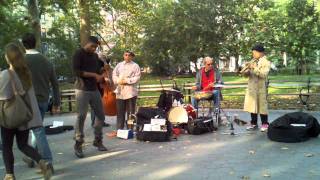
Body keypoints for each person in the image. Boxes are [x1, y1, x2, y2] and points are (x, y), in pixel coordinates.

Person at [0, 43, 52, 180]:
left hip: (9, 117)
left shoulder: (6, 74)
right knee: (23, 144)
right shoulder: (26, 73)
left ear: (8, 58)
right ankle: (43, 161)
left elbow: (4, 96)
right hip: (23, 117)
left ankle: (10, 174)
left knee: (6, 145)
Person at [21, 33, 59, 170]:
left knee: (37, 130)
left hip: (27, 101)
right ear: (36, 43)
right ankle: (32, 157)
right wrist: (56, 103)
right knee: (36, 129)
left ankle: (47, 161)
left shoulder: (21, 61)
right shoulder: (46, 61)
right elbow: (55, 84)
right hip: (43, 99)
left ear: (23, 45)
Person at [72, 36, 108, 158]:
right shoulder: (78, 54)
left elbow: (98, 70)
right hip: (82, 89)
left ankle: (97, 140)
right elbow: (77, 71)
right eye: (92, 46)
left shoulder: (95, 56)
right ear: (86, 43)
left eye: (96, 47)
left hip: (94, 89)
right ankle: (78, 143)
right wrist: (94, 75)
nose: (94, 49)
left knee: (101, 115)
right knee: (81, 116)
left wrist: (103, 71)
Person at [111, 50, 141, 135]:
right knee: (120, 111)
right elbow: (114, 74)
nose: (127, 57)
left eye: (129, 55)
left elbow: (137, 77)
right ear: (123, 56)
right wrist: (118, 81)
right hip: (120, 91)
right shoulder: (119, 65)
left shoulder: (135, 66)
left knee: (131, 112)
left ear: (132, 57)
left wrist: (127, 81)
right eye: (126, 55)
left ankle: (130, 129)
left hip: (130, 92)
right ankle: (119, 129)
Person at [243, 44, 271, 132]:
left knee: (262, 106)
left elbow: (263, 74)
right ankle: (253, 123)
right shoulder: (253, 61)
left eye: (254, 53)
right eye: (253, 53)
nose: (253, 54)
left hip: (260, 87)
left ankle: (265, 124)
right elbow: (246, 75)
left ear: (261, 53)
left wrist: (254, 67)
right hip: (252, 87)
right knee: (252, 105)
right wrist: (245, 70)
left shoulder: (266, 62)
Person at [90, 54, 111, 127]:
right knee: (95, 106)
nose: (104, 59)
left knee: (100, 106)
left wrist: (104, 60)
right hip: (94, 87)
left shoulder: (102, 64)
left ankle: (100, 121)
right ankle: (94, 122)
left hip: (100, 87)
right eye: (103, 58)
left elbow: (107, 67)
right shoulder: (95, 65)